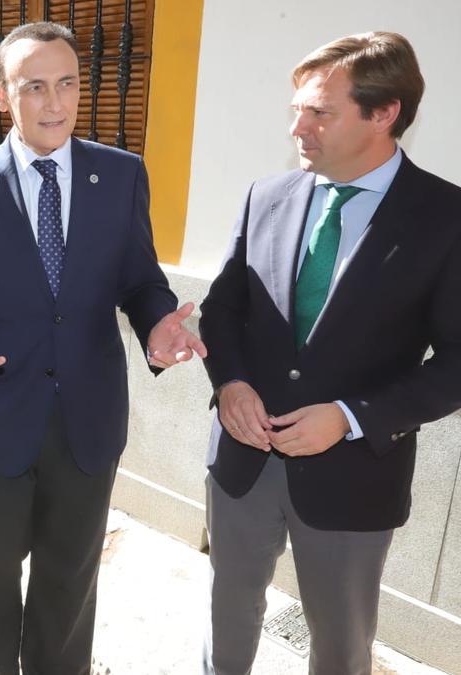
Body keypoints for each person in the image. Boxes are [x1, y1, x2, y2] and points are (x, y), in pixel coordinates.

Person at [0, 22, 206, 674]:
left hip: (88, 418)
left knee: (69, 586)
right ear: (0, 94)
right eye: (35, 86)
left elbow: (140, 278)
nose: (55, 103)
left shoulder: (122, 175)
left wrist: (159, 323)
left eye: (69, 83)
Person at [199, 31, 461, 675]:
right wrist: (230, 383)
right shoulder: (268, 196)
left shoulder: (445, 217)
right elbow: (222, 310)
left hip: (354, 479)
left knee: (342, 646)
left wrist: (348, 416)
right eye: (297, 109)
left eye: (319, 111)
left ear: (383, 113)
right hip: (241, 465)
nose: (299, 126)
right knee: (227, 616)